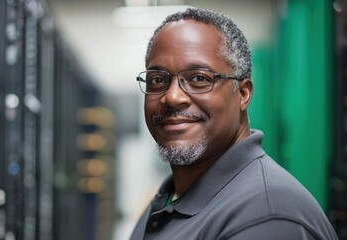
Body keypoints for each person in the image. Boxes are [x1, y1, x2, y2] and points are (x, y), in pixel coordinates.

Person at [130, 7, 338, 240]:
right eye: (158, 80)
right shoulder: (170, 197)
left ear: (243, 94)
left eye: (199, 78)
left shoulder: (267, 217)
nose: (172, 97)